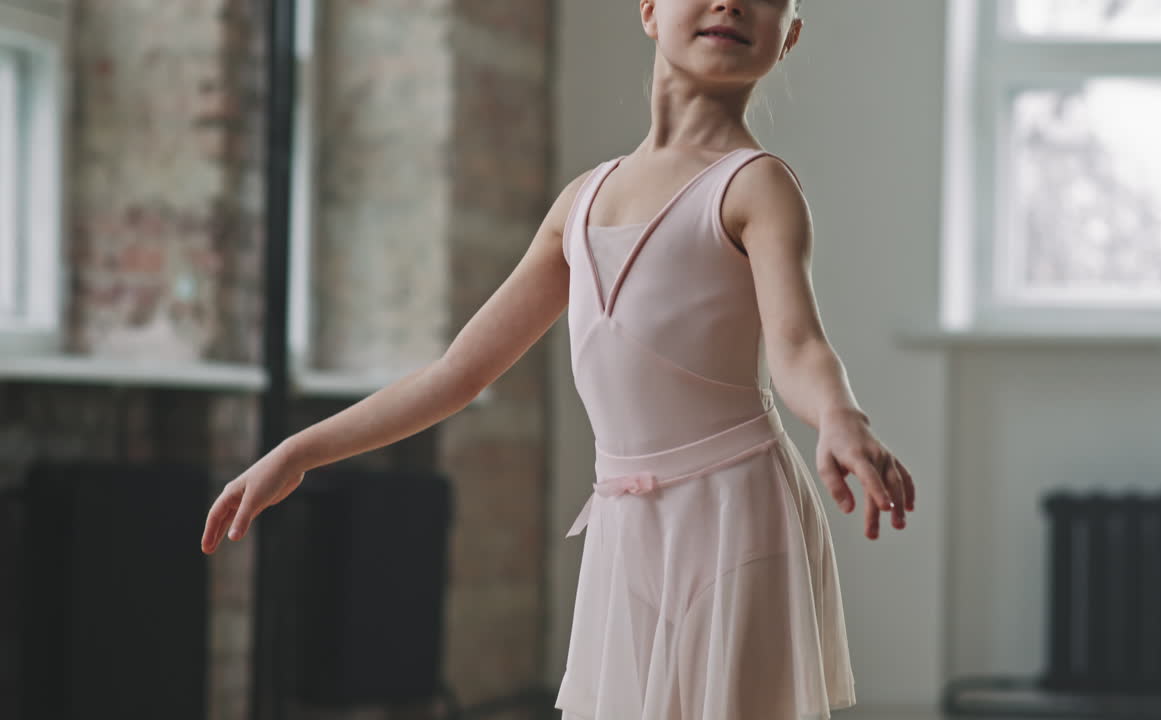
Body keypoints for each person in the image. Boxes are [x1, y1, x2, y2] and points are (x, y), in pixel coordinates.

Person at [202, 0, 916, 717]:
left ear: (787, 35)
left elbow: (797, 344)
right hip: (626, 530)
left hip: (734, 513)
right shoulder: (581, 200)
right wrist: (300, 450)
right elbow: (458, 372)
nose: (729, 0)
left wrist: (839, 416)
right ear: (648, 10)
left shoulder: (756, 185)